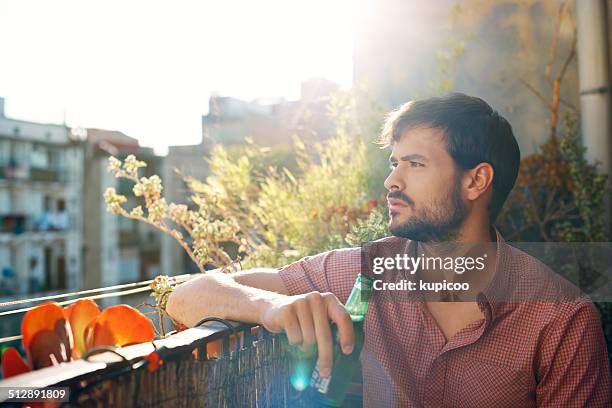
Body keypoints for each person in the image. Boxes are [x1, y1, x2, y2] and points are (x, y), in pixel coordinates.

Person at [167, 93, 611, 407]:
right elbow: (186, 296)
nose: (392, 181)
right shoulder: (369, 270)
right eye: (393, 162)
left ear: (476, 181)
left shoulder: (561, 318)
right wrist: (272, 308)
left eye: (414, 164)